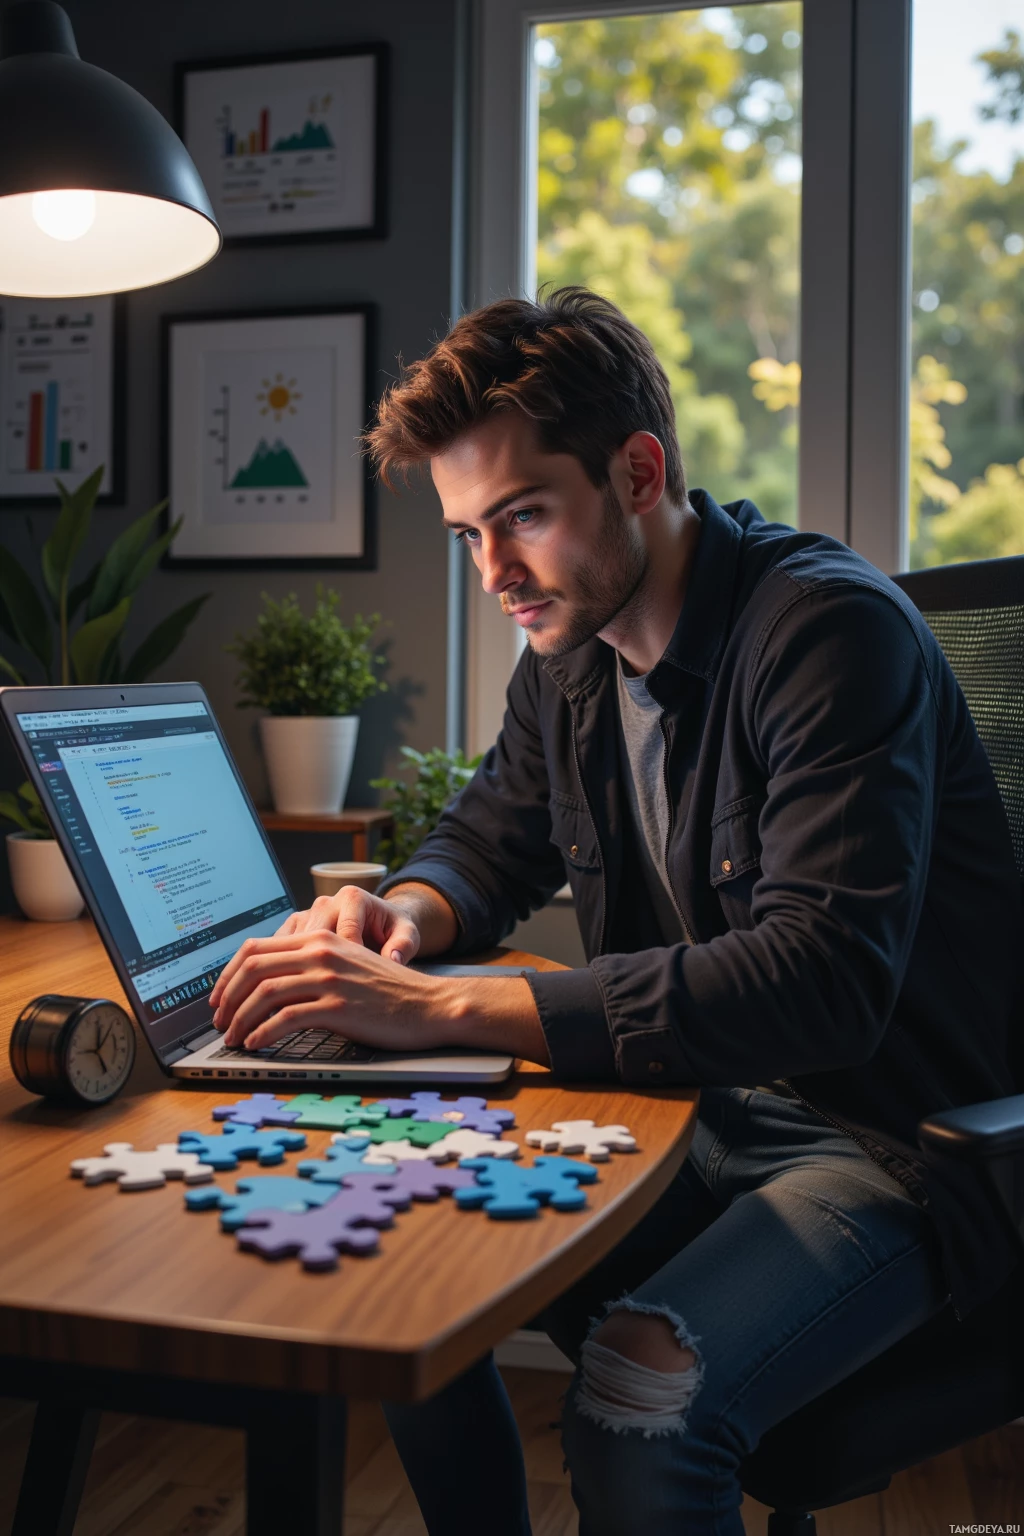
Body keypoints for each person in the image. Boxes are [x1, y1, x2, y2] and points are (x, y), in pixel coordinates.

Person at [209, 288, 1023, 1535]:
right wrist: (400, 919)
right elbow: (487, 837)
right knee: (397, 1286)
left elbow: (821, 983)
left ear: (636, 472)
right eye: (470, 534)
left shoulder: (827, 633)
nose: (494, 574)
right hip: (691, 1111)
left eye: (522, 517)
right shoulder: (571, 651)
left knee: (635, 1400)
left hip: (890, 1146)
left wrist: (439, 1007)